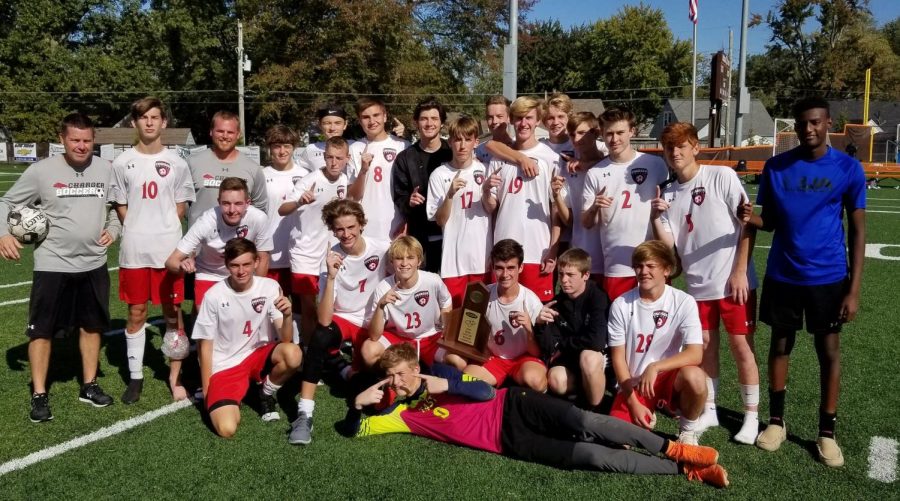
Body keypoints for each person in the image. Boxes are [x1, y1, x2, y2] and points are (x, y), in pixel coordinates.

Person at [345, 343, 729, 488]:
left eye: (400, 373)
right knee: (593, 457)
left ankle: (675, 449)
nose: (396, 382)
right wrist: (359, 404)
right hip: (508, 442)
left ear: (414, 368)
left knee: (587, 421)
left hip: (513, 404)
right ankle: (684, 471)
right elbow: (353, 430)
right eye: (390, 377)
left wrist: (446, 386)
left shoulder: (440, 374)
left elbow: (483, 391)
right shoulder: (400, 413)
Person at [743, 97, 865, 467]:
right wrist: (749, 216)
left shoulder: (848, 167)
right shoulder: (776, 167)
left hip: (828, 277)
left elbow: (858, 231)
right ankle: (776, 422)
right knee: (779, 346)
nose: (808, 129)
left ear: (828, 123)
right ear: (794, 127)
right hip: (783, 274)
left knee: (828, 353)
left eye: (815, 122)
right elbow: (772, 221)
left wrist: (853, 289)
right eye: (802, 124)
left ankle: (826, 432)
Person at [0, 113, 121, 422]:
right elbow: (5, 203)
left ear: (94, 140)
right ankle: (40, 394)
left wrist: (114, 228)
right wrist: (3, 233)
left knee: (92, 326)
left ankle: (89, 385)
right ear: (62, 140)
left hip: (94, 263)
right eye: (75, 140)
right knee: (41, 331)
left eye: (87, 140)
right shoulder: (41, 171)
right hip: (52, 264)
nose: (81, 146)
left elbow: (117, 208)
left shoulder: (107, 169)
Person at [650, 122, 760, 444]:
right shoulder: (668, 194)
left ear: (695, 147)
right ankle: (709, 408)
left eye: (682, 145)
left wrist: (740, 271)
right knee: (706, 347)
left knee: (742, 348)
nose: (676, 152)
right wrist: (656, 215)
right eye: (670, 147)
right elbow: (669, 247)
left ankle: (751, 415)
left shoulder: (721, 176)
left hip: (733, 283)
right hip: (698, 287)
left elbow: (747, 224)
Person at [109, 97, 196, 403]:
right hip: (134, 250)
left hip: (169, 251)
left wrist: (163, 229)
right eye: (143, 117)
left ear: (164, 123)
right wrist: (137, 226)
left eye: (154, 117)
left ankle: (176, 376)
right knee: (136, 312)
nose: (149, 122)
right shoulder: (121, 163)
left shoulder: (177, 162)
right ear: (135, 123)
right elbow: (121, 205)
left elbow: (182, 205)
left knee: (173, 314)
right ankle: (135, 377)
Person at [292, 199, 390, 445]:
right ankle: (305, 413)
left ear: (361, 225)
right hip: (345, 318)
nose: (346, 234)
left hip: (374, 323)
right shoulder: (330, 259)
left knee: (375, 400)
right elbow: (324, 319)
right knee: (321, 335)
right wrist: (332, 277)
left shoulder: (382, 248)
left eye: (351, 227)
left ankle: (344, 370)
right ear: (332, 229)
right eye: (339, 229)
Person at [192, 238, 302, 439]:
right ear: (227, 265)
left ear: (256, 262)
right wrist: (208, 392)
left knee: (293, 353)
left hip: (258, 355)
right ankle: (246, 389)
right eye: (234, 265)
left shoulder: (270, 287)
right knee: (226, 429)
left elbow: (286, 339)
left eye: (246, 264)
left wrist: (287, 315)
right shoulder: (213, 296)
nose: (241, 271)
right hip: (225, 366)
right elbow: (204, 348)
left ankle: (265, 392)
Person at [607, 241, 708, 445]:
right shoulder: (621, 304)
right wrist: (632, 402)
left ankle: (687, 431)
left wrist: (655, 366)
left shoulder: (683, 301)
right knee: (618, 441)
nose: (643, 271)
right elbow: (618, 359)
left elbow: (696, 354)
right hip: (635, 383)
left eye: (651, 266)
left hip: (668, 378)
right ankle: (646, 408)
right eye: (639, 266)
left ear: (667, 270)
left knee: (696, 377)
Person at [581, 107, 669, 301]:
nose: (614, 139)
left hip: (653, 259)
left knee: (656, 323)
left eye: (620, 132)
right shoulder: (595, 173)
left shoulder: (655, 164)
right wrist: (595, 206)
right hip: (616, 264)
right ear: (602, 135)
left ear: (632, 131)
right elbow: (586, 223)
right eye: (609, 134)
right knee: (619, 324)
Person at [483, 96, 565, 302]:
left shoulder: (551, 158)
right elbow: (491, 206)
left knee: (539, 314)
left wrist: (553, 250)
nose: (524, 123)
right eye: (519, 118)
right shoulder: (499, 159)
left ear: (538, 121)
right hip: (504, 249)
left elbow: (556, 210)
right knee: (502, 309)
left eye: (529, 118)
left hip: (538, 250)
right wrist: (485, 191)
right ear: (511, 120)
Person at [278, 136, 350, 342]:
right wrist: (300, 201)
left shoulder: (345, 180)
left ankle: (330, 347)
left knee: (332, 304)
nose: (333, 162)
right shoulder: (310, 180)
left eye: (338, 158)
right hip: (305, 252)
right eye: (329, 157)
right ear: (324, 157)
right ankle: (309, 350)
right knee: (309, 307)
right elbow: (282, 209)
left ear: (347, 158)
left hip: (330, 252)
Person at [165, 178, 273, 308]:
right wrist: (183, 266)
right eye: (226, 203)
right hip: (209, 274)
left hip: (242, 274)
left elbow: (263, 258)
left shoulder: (259, 218)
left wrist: (257, 290)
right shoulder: (206, 221)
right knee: (208, 320)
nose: (232, 210)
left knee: (240, 321)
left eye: (238, 203)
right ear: (218, 202)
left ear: (247, 203)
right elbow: (171, 262)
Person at [460, 239, 547, 391]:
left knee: (536, 382)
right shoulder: (483, 294)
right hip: (495, 359)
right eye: (499, 268)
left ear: (521, 268)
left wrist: (528, 328)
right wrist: (482, 349)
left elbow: (537, 352)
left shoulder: (531, 300)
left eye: (511, 268)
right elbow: (469, 336)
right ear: (493, 268)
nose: (505, 274)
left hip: (524, 358)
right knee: (466, 380)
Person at [425, 115, 492, 307]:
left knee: (480, 317)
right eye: (457, 139)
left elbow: (492, 208)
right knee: (454, 319)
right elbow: (439, 220)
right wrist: (450, 195)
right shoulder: (439, 174)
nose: (462, 146)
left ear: (475, 142)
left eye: (467, 139)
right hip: (453, 261)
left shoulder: (485, 170)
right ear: (450, 141)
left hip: (482, 258)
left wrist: (486, 190)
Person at [361, 236, 452, 368]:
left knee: (457, 360)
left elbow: (446, 303)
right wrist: (381, 306)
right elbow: (374, 336)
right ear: (392, 262)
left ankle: (451, 384)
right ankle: (387, 382)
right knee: (369, 350)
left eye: (410, 258)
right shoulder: (383, 288)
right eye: (399, 258)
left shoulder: (433, 281)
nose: (404, 263)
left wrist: (445, 329)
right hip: (400, 340)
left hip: (430, 338)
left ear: (419, 261)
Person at [537, 248, 610, 409]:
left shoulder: (598, 297)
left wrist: (564, 344)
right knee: (556, 379)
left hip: (598, 358)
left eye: (570, 275)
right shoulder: (557, 302)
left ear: (586, 275)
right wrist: (541, 326)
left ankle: (596, 408)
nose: (564, 280)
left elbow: (596, 341)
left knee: (588, 358)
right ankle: (584, 396)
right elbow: (549, 347)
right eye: (561, 274)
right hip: (572, 358)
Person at [392, 97, 452, 272]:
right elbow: (399, 196)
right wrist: (408, 202)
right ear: (416, 122)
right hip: (420, 237)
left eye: (434, 119)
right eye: (424, 119)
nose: (429, 123)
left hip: (451, 235)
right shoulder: (405, 157)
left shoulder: (452, 153)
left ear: (441, 123)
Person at [262, 124, 309, 341]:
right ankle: (273, 347)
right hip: (270, 251)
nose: (282, 151)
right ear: (270, 148)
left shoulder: (306, 175)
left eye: (287, 146)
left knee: (300, 305)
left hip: (299, 251)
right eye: (277, 146)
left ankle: (298, 350)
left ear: (294, 147)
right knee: (272, 304)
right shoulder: (261, 175)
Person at [186, 110, 267, 227]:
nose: (225, 136)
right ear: (211, 132)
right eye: (220, 131)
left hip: (237, 242)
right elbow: (181, 203)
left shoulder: (253, 168)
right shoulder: (192, 163)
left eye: (230, 132)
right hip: (200, 241)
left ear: (238, 134)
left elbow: (260, 208)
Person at [347, 97, 410, 242]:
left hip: (398, 226)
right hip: (366, 228)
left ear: (385, 116)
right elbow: (352, 197)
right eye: (366, 117)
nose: (371, 121)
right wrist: (363, 171)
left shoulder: (403, 146)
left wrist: (408, 221)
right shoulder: (355, 149)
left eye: (376, 115)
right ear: (359, 120)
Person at [559, 112, 606, 282]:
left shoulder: (607, 156)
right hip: (580, 250)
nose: (576, 139)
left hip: (608, 252)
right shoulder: (567, 167)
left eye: (582, 133)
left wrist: (586, 165)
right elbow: (569, 220)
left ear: (595, 133)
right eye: (572, 134)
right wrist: (556, 195)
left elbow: (618, 159)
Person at [295, 105, 352, 172]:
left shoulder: (355, 147)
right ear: (320, 125)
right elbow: (298, 174)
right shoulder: (311, 149)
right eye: (327, 123)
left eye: (337, 123)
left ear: (345, 125)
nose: (332, 128)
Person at [474, 95, 512, 166]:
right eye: (490, 117)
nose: (494, 121)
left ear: (509, 118)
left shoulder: (518, 147)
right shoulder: (479, 151)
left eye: (499, 116)